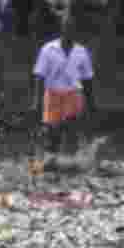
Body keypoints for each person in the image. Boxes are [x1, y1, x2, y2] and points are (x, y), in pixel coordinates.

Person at [32, 14, 96, 158]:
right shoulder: (48, 49)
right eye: (67, 27)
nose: (70, 30)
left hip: (73, 94)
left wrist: (91, 102)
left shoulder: (82, 51)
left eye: (73, 28)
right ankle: (51, 158)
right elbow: (39, 75)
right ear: (61, 29)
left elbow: (87, 79)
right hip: (52, 93)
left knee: (71, 128)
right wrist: (37, 100)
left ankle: (74, 159)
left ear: (76, 30)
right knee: (52, 129)